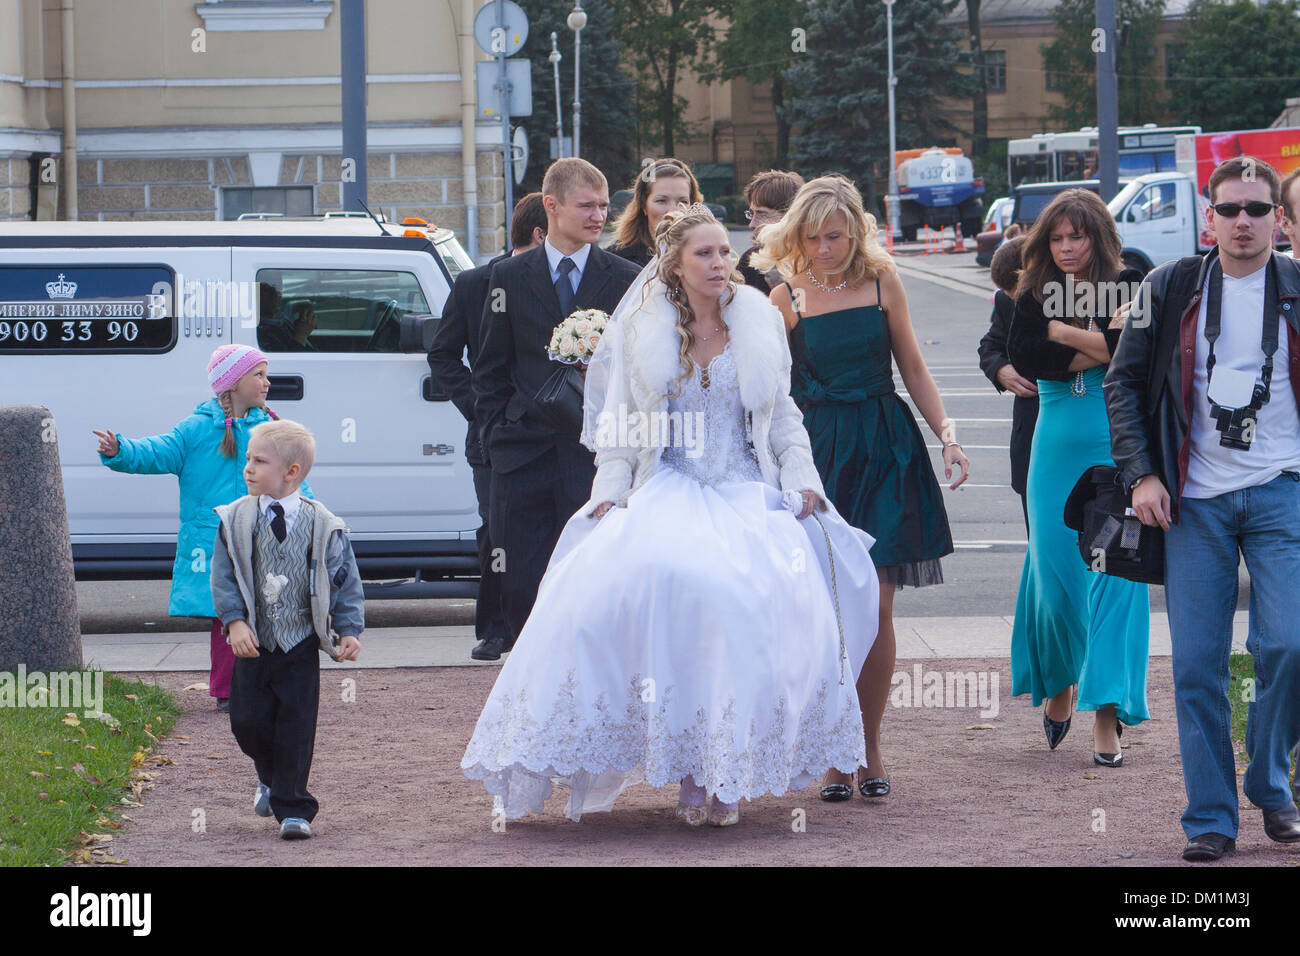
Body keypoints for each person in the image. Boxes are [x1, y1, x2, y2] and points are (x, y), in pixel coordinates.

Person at [461, 204, 880, 826]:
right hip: (670, 485)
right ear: (676, 266)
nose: (720, 263)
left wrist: (803, 481)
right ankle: (690, 767)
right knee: (645, 590)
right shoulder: (644, 330)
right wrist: (609, 490)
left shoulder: (760, 322)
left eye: (725, 252)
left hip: (746, 489)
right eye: (704, 254)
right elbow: (623, 429)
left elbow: (783, 417)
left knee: (742, 601)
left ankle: (726, 771)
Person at [1106, 155, 1300, 861]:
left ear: (1279, 219)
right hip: (1192, 501)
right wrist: (1141, 476)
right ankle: (1211, 820)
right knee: (1196, 667)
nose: (1242, 221)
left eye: (1256, 209)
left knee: (1289, 644)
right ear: (1208, 217)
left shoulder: (1298, 289)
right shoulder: (1170, 285)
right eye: (1229, 209)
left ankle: (1270, 780)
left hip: (1285, 490)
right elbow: (1122, 385)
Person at [759, 174, 966, 802]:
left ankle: (867, 744)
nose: (826, 249)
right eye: (815, 238)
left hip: (885, 446)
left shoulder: (883, 282)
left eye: (837, 237)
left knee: (875, 608)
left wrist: (948, 435)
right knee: (826, 611)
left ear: (857, 232)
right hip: (816, 458)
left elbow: (914, 365)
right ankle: (830, 745)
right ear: (798, 235)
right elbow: (766, 392)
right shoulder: (782, 295)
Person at [1006, 188, 1149, 766]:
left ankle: (1107, 716)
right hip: (1055, 446)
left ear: (1098, 236)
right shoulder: (1032, 291)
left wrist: (1062, 332)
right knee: (1057, 575)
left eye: (1077, 236)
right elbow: (1027, 357)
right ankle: (1062, 685)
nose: (1066, 248)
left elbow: (1136, 349)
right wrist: (1102, 344)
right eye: (1057, 238)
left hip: (1118, 441)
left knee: (1117, 576)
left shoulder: (1132, 275)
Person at [473, 158, 642, 644]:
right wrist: (499, 430)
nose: (598, 217)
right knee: (520, 579)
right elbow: (489, 368)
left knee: (592, 573)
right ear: (551, 206)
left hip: (593, 455)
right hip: (521, 452)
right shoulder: (507, 276)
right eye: (585, 206)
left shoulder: (625, 276)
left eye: (604, 207)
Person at [93, 344, 311, 712]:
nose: (267, 383)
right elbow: (157, 451)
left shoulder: (271, 430)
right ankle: (228, 691)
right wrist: (120, 450)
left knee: (270, 610)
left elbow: (295, 480)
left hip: (265, 537)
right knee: (227, 615)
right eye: (258, 375)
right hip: (216, 540)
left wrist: (309, 516)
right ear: (233, 383)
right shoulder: (195, 430)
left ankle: (266, 686)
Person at [211, 419, 363, 840]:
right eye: (248, 459)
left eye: (259, 461)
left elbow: (344, 579)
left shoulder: (323, 524)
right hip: (254, 643)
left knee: (297, 724)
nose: (248, 468)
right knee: (247, 721)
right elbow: (223, 577)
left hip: (300, 643)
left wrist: (348, 629)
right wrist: (235, 621)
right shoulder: (237, 519)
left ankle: (295, 808)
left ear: (291, 472)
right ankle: (269, 777)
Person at [427, 191, 546, 661]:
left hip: (553, 430)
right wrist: (479, 407)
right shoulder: (478, 283)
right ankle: (495, 629)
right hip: (493, 435)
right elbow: (442, 353)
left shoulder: (566, 285)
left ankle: (543, 625)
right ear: (540, 234)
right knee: (497, 532)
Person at [977, 236, 1038, 530]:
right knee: (1038, 535)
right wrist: (1001, 369)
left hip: (1079, 425)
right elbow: (989, 346)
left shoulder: (1086, 292)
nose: (1015, 301)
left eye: (1018, 294)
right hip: (1031, 434)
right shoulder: (1005, 301)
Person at [607, 158, 702, 267]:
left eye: (683, 202)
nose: (673, 210)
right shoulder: (616, 261)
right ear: (643, 205)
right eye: (661, 201)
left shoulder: (708, 254)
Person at [738, 170, 804, 292]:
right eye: (751, 214)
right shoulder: (749, 260)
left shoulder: (812, 262)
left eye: (762, 214)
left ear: (790, 215)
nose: (752, 224)